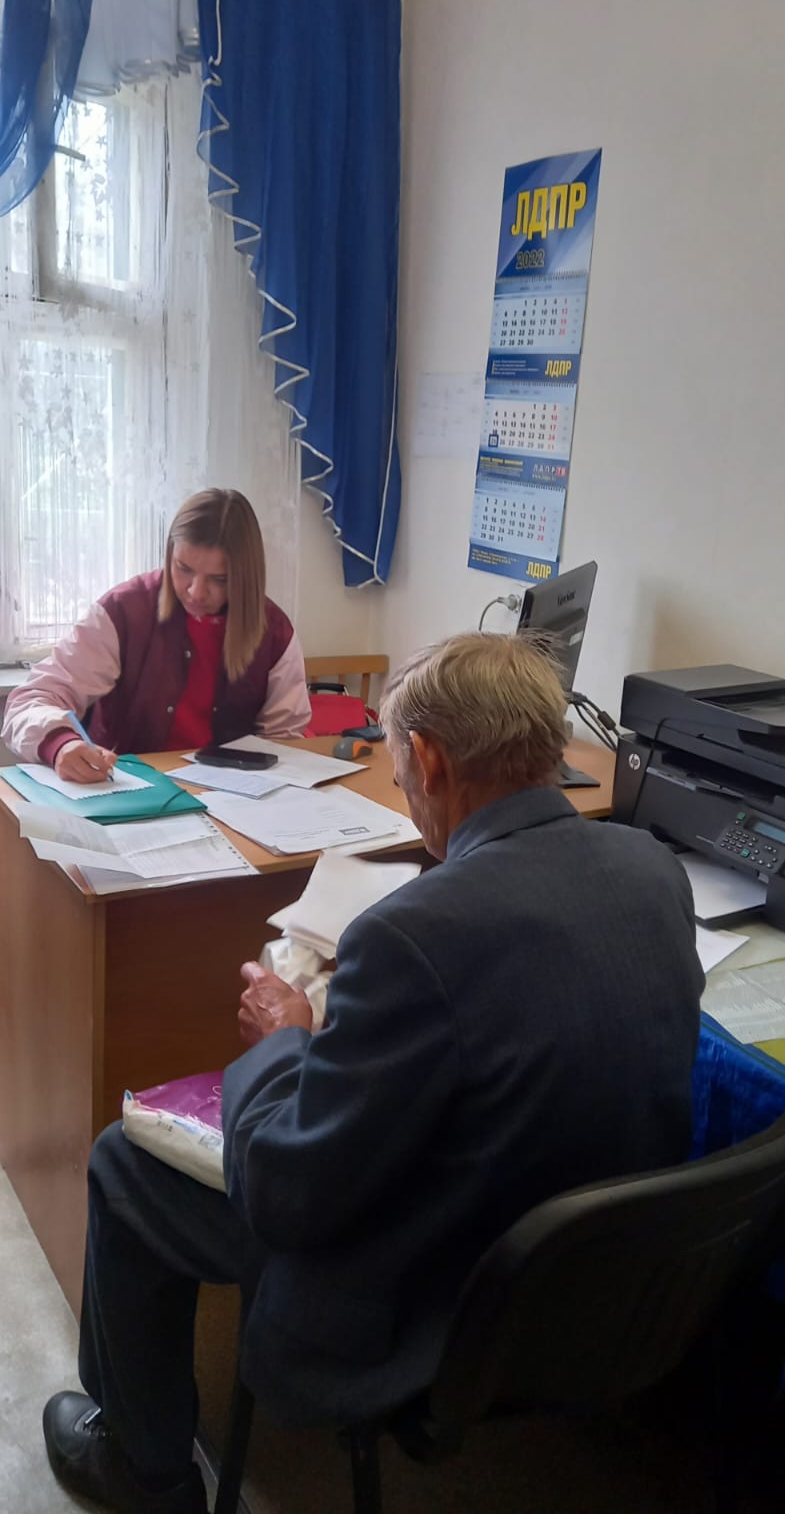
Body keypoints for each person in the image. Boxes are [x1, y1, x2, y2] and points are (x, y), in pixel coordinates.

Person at [42, 632, 705, 1514]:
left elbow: (284, 1194)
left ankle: (144, 1468)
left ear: (427, 760)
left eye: (398, 767)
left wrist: (284, 1039)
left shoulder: (411, 935)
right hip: (593, 1282)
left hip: (432, 1300)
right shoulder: (652, 868)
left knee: (123, 1161)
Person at [2, 488, 310, 783]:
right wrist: (61, 745)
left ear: (245, 577)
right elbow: (29, 701)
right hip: (126, 791)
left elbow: (283, 739)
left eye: (219, 579)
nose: (196, 592)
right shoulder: (123, 610)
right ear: (169, 554)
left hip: (233, 799)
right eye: (183, 568)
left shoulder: (274, 631)